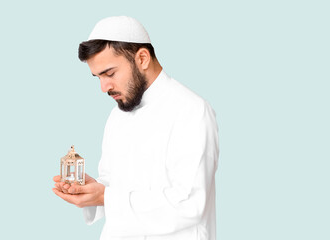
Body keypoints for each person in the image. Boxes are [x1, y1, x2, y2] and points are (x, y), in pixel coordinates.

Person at [53, 16, 219, 240]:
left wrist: (107, 197)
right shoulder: (117, 116)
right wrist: (92, 191)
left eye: (110, 74)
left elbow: (189, 204)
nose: (104, 87)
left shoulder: (192, 110)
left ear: (142, 58)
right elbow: (112, 185)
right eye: (98, 77)